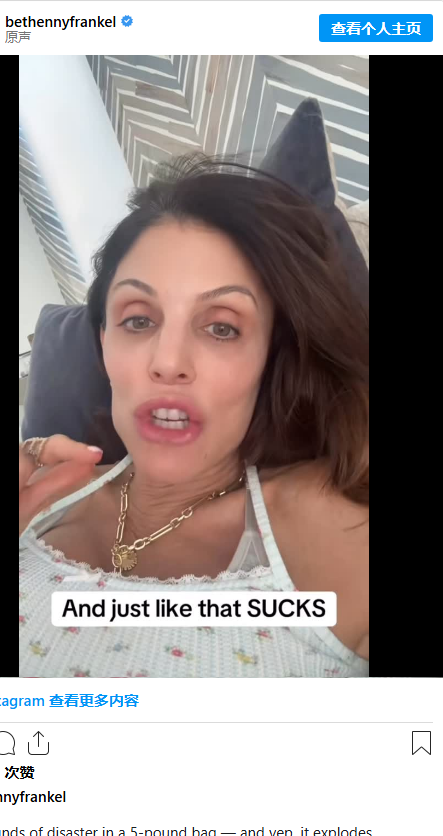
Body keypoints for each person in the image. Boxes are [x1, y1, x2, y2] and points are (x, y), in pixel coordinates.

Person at [19, 155, 369, 678]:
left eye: (222, 328)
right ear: (104, 342)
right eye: (138, 320)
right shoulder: (36, 501)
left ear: (271, 357)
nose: (167, 362)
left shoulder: (339, 530)